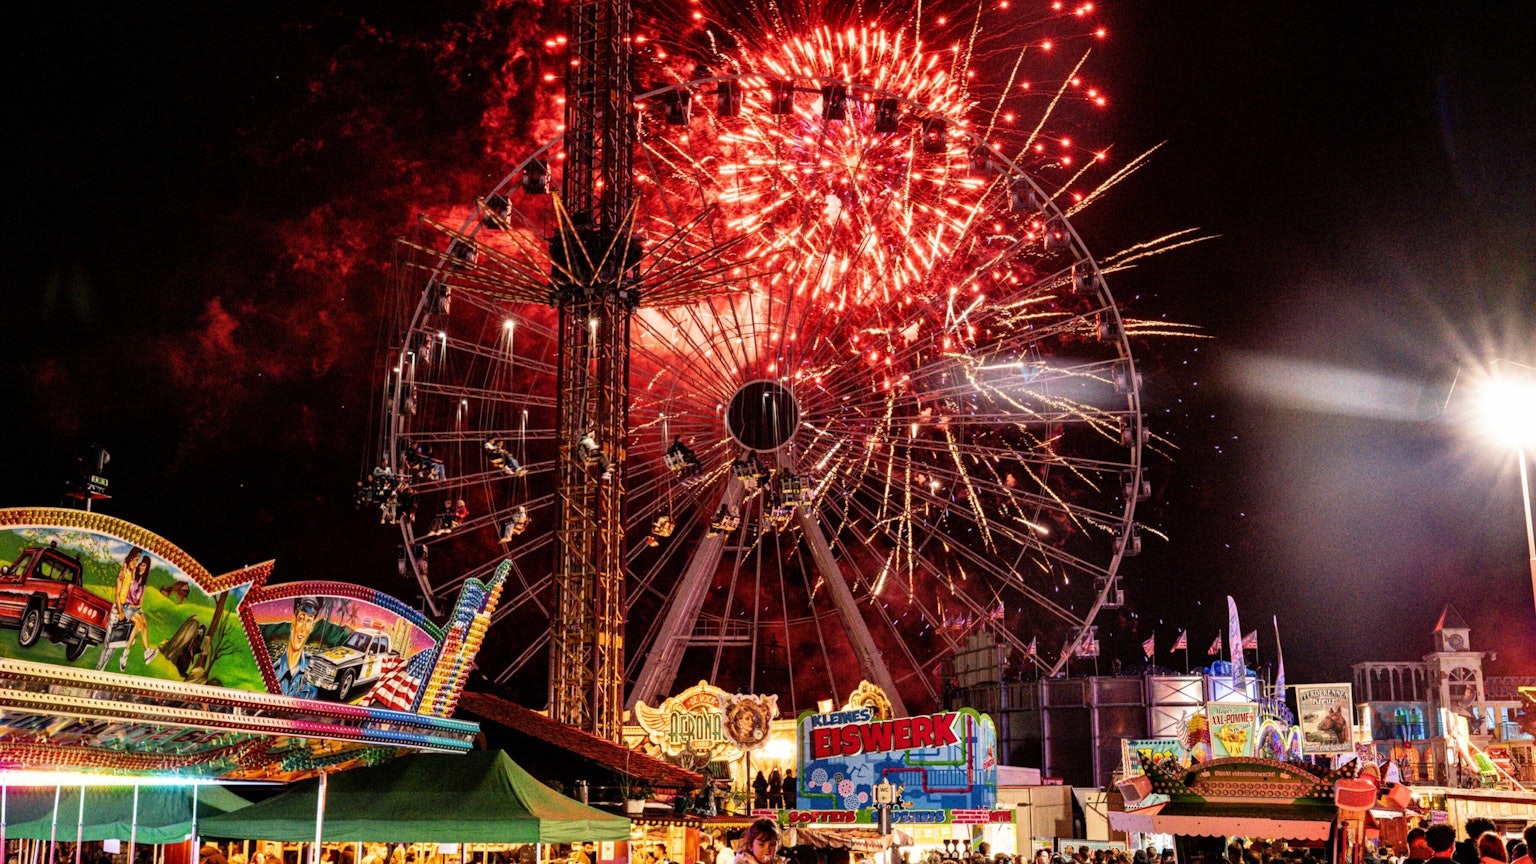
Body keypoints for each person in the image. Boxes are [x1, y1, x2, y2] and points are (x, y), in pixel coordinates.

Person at [269, 595, 321, 698]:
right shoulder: (272, 672)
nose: (303, 628)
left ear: (311, 628)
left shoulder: (315, 670)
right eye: (301, 619)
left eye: (308, 621)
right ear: (294, 623)